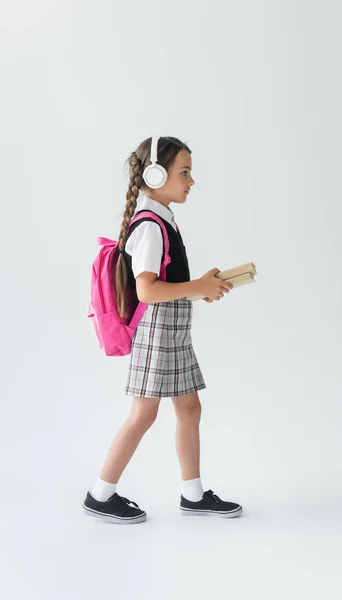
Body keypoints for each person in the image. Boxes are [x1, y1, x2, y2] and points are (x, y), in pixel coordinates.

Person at [82, 136, 243, 523]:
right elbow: (148, 290)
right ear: (156, 175)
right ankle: (100, 495)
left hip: (171, 329)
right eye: (184, 172)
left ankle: (194, 494)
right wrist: (197, 288)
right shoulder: (151, 227)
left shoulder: (161, 220)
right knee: (143, 415)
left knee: (189, 407)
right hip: (157, 331)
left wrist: (199, 290)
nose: (191, 181)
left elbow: (163, 285)